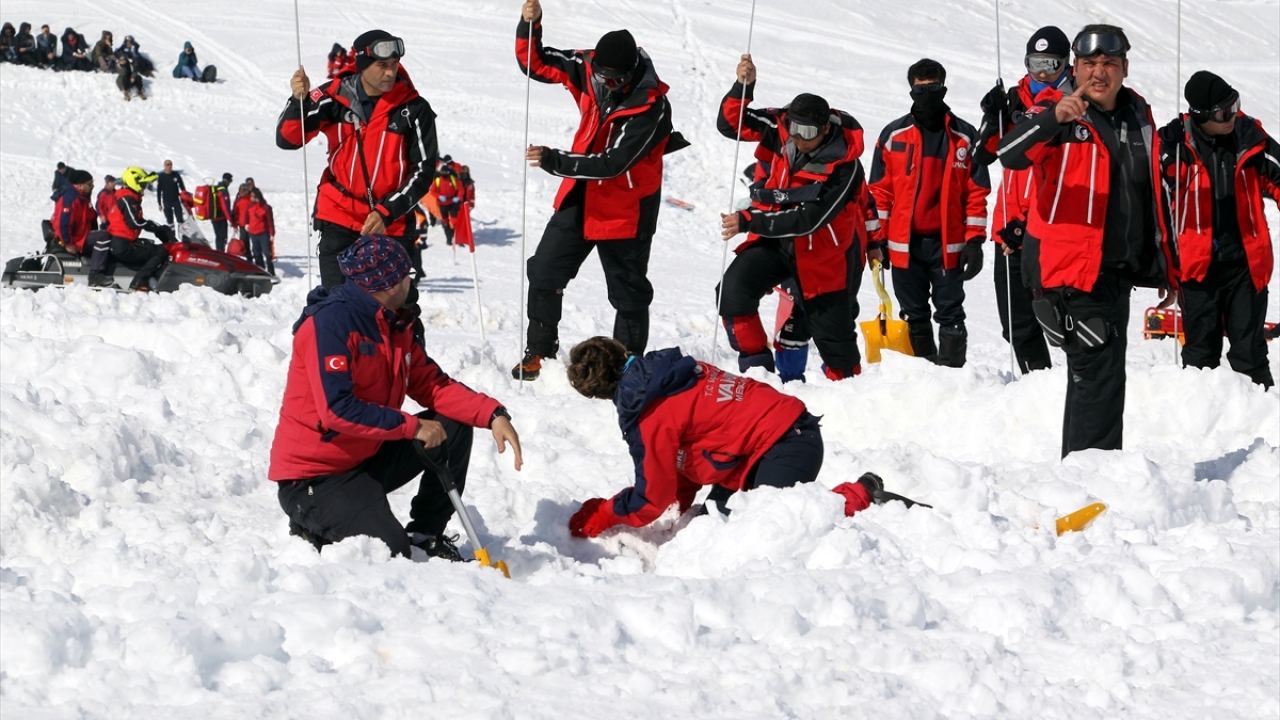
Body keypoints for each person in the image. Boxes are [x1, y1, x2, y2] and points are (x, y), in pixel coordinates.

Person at [269, 234, 523, 559]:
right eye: (406, 276)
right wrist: (412, 427)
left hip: (366, 456)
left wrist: (492, 414)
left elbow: (432, 384)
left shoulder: (394, 324)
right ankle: (312, 523)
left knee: (453, 426)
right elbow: (337, 409)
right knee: (389, 553)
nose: (409, 282)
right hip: (316, 477)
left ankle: (425, 534)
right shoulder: (330, 325)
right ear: (389, 284)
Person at [998, 25, 1177, 457]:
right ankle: (1091, 474)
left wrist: (1165, 263)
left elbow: (1151, 190)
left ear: (1124, 68)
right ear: (1074, 68)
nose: (1100, 73)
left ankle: (1085, 471)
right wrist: (1051, 119)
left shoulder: (1138, 115)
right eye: (1090, 64)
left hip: (1117, 268)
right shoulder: (1055, 110)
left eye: (1109, 64)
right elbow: (1009, 153)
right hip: (1069, 271)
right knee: (1095, 369)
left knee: (1105, 372)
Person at [563, 337, 916, 537]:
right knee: (709, 529)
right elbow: (693, 444)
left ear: (597, 394)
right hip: (768, 445)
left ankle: (860, 494)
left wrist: (608, 513)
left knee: (765, 529)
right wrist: (680, 502)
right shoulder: (666, 372)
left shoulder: (648, 414)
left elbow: (650, 497)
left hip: (785, 445)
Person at [512, 0, 687, 380]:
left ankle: (627, 368)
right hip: (581, 195)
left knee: (628, 294)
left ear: (631, 72)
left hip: (627, 207)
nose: (606, 85)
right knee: (544, 271)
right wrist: (532, 24)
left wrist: (556, 161)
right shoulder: (587, 69)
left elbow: (613, 163)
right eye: (602, 78)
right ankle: (539, 353)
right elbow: (536, 63)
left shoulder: (651, 106)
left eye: (614, 80)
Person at [715, 55, 868, 380]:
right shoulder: (781, 131)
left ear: (826, 129)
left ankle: (849, 398)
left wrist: (749, 221)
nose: (798, 137)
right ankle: (759, 372)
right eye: (794, 128)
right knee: (731, 292)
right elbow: (731, 124)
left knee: (836, 342)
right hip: (774, 244)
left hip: (822, 256)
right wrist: (744, 84)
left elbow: (809, 219)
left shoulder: (847, 167)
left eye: (808, 131)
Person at [276, 29, 437, 297]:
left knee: (394, 313)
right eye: (382, 65)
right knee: (339, 307)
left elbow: (423, 171)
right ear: (362, 64)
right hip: (338, 218)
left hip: (391, 224)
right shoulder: (331, 97)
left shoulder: (414, 108)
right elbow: (287, 139)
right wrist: (298, 101)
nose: (389, 72)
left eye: (394, 64)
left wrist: (387, 212)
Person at [1159, 71, 1280, 389]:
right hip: (1198, 270)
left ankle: (1262, 426)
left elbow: (1278, 175)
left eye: (1235, 105)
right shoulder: (1173, 145)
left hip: (1246, 266)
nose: (1232, 116)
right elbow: (1148, 199)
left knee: (1249, 353)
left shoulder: (1249, 136)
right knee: (1200, 355)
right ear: (1200, 116)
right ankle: (1202, 424)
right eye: (1223, 112)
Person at [869, 58, 991, 367]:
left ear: (944, 87)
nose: (926, 94)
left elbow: (976, 192)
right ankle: (924, 377)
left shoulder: (965, 136)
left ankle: (953, 377)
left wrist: (974, 241)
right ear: (911, 90)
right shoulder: (893, 135)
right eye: (920, 89)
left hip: (948, 245)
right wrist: (878, 238)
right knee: (913, 314)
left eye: (933, 87)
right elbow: (880, 192)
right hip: (902, 245)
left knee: (951, 313)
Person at [974, 27, 1072, 374]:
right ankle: (1039, 384)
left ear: (1065, 64)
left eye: (1050, 65)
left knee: (1062, 319)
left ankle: (1078, 384)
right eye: (1035, 64)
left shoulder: (1071, 103)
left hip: (1050, 228)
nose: (1042, 73)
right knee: (1015, 323)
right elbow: (982, 157)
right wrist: (992, 118)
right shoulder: (1016, 99)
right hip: (1009, 232)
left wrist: (1028, 225)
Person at [100, 166, 174, 291]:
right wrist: (154, 227)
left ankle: (150, 277)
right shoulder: (127, 199)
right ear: (135, 183)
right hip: (123, 245)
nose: (144, 187)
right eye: (143, 184)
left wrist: (156, 228)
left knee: (150, 246)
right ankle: (139, 283)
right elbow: (134, 222)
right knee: (160, 252)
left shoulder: (127, 197)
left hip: (124, 242)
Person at [50, 169, 97, 255]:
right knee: (103, 238)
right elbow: (62, 224)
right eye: (89, 184)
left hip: (82, 236)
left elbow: (90, 216)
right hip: (75, 240)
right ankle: (97, 267)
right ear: (79, 185)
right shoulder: (71, 199)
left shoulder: (83, 197)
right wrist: (69, 244)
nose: (92, 186)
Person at [244, 188, 276, 274]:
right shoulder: (250, 206)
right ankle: (260, 270)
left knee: (267, 253)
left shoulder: (266, 208)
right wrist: (246, 224)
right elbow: (247, 216)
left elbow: (270, 221)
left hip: (263, 233)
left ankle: (271, 271)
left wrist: (272, 233)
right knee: (256, 253)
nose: (250, 198)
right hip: (253, 233)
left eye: (252, 196)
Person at [432, 160, 463, 245]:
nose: (445, 174)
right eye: (443, 172)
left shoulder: (453, 179)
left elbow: (460, 189)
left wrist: (458, 197)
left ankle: (457, 238)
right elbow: (433, 191)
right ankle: (449, 237)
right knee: (445, 222)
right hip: (443, 204)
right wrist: (439, 196)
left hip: (452, 203)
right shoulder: (437, 181)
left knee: (455, 221)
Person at [205, 173, 235, 251]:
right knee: (222, 237)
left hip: (213, 217)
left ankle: (219, 252)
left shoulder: (216, 188)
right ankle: (221, 254)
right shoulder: (223, 191)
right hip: (221, 218)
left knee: (218, 237)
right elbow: (225, 207)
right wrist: (230, 220)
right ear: (228, 181)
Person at [232, 182, 253, 257]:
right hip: (242, 225)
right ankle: (247, 258)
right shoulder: (238, 201)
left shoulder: (252, 199)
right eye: (240, 190)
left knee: (256, 244)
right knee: (244, 243)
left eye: (243, 190)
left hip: (253, 225)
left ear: (247, 191)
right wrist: (235, 225)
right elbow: (235, 213)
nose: (241, 192)